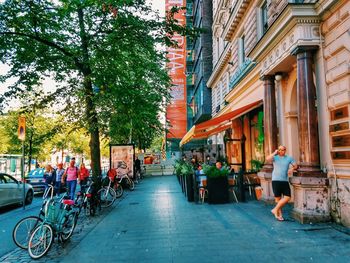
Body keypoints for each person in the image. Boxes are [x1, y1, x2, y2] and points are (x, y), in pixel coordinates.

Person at [266, 145, 297, 221]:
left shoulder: (289, 158)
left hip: (284, 180)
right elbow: (267, 159)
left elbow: (295, 166)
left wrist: (292, 169)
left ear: (285, 150)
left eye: (282, 150)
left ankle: (274, 210)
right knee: (278, 199)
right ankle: (279, 215)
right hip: (276, 180)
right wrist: (274, 152)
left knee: (288, 197)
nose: (281, 151)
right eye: (279, 150)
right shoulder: (275, 158)